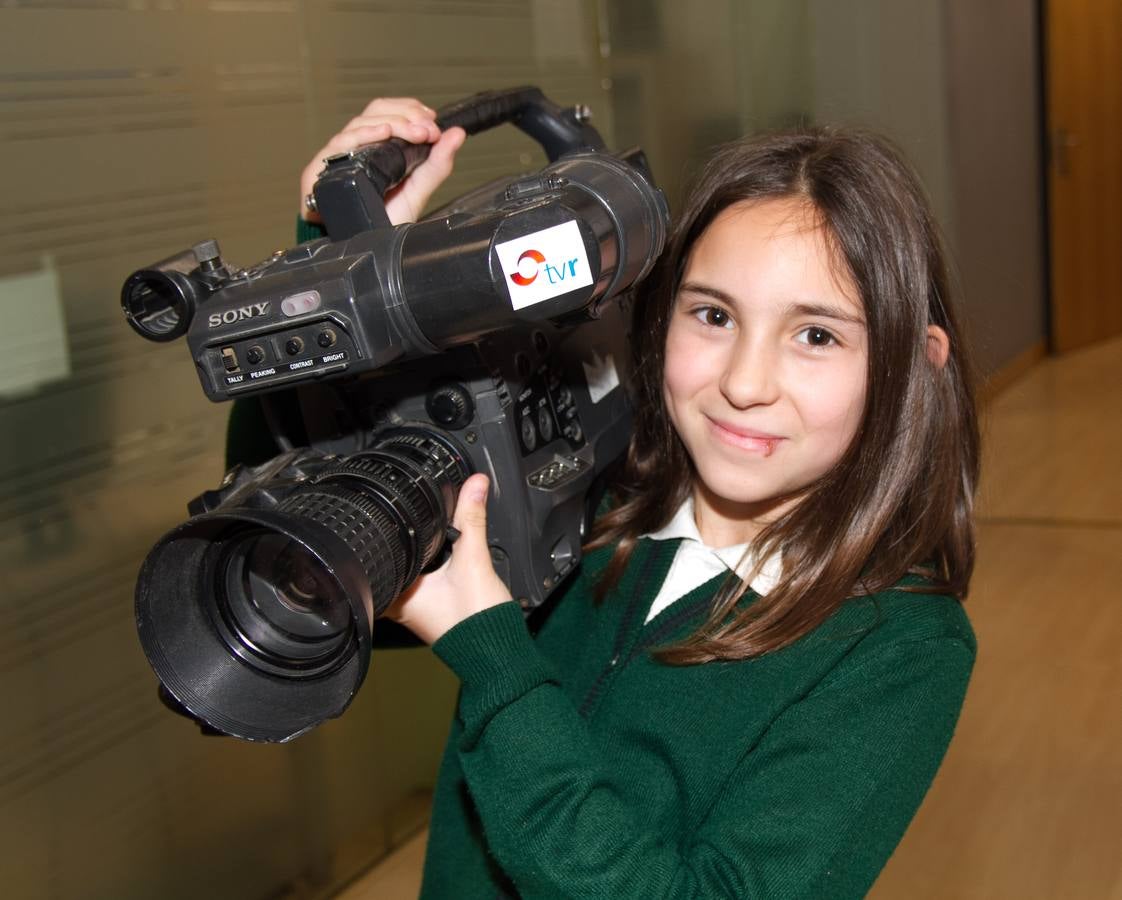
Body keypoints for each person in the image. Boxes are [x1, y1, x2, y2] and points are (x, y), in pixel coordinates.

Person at [285, 98, 979, 898]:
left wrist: (495, 658)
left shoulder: (900, 648)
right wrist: (340, 277)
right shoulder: (584, 483)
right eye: (713, 315)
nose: (744, 384)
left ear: (915, 364)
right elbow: (323, 551)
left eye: (816, 335)